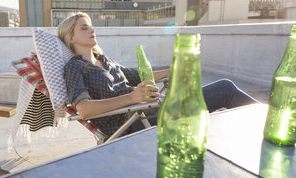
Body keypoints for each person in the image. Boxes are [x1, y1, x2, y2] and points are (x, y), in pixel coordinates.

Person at [58, 12, 258, 138]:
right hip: (132, 123)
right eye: (84, 28)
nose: (91, 29)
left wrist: (172, 71)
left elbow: (137, 74)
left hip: (149, 109)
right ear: (71, 37)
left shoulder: (104, 59)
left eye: (91, 26)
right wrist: (132, 97)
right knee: (224, 89)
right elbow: (84, 109)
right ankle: (271, 122)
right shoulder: (75, 67)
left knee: (220, 92)